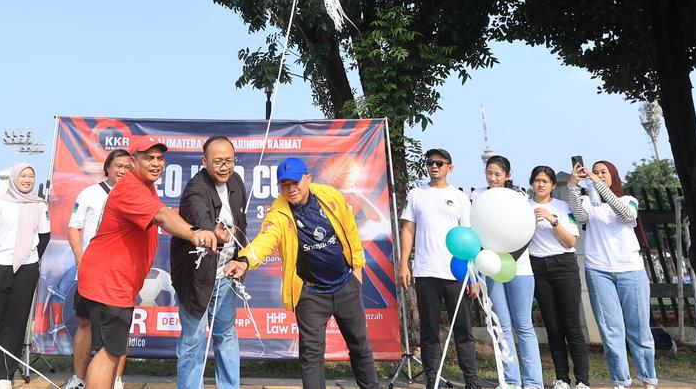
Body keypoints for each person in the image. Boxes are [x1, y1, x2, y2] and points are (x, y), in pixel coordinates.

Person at [77, 138, 224, 389]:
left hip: (114, 281)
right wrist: (196, 233)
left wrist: (206, 233)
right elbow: (162, 216)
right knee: (108, 353)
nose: (156, 163)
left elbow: (162, 214)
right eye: (148, 158)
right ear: (133, 161)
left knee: (112, 350)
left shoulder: (144, 187)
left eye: (159, 158)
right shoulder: (130, 189)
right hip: (108, 282)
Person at [225, 157, 378, 389]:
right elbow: (265, 240)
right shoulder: (279, 213)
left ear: (308, 178)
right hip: (310, 294)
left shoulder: (330, 197)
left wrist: (357, 268)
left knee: (360, 347)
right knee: (311, 355)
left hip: (346, 284)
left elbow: (350, 232)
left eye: (295, 182)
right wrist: (245, 260)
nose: (291, 189)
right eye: (285, 185)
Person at [397, 148, 480, 389]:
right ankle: (432, 378)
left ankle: (471, 380)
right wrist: (404, 264)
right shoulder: (416, 194)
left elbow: (469, 237)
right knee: (429, 330)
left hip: (456, 272)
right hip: (426, 271)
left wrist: (473, 275)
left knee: (463, 329)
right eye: (430, 162)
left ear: (449, 167)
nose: (434, 166)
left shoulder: (460, 197)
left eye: (439, 163)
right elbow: (408, 230)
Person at [570, 159, 657, 389]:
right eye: (595, 172)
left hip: (631, 271)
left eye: (603, 172)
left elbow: (627, 216)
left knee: (639, 328)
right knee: (611, 331)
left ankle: (648, 378)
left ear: (613, 176)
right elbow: (579, 217)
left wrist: (599, 186)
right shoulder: (588, 202)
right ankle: (620, 380)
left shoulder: (628, 200)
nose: (598, 175)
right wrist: (573, 185)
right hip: (599, 271)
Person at [171, 136, 248, 389]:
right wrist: (214, 233)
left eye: (229, 161)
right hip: (196, 277)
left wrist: (240, 259)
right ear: (204, 161)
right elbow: (200, 217)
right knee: (193, 340)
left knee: (226, 335)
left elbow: (242, 223)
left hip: (225, 274)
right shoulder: (195, 188)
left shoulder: (236, 182)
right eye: (217, 162)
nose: (224, 167)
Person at [0, 163, 51, 389]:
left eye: (31, 176)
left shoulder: (40, 205)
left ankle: (5, 375)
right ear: (14, 179)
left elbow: (44, 236)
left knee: (16, 323)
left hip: (26, 269)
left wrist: (32, 259)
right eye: (23, 176)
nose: (27, 180)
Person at [64, 150, 133, 389]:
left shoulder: (135, 196)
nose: (123, 170)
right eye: (118, 165)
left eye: (128, 166)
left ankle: (116, 379)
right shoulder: (89, 194)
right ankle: (79, 378)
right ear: (108, 167)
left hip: (120, 275)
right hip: (91, 272)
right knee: (85, 323)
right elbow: (74, 227)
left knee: (120, 328)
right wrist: (80, 256)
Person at [475, 155, 542, 389]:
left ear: (507, 175)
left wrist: (508, 259)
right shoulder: (478, 198)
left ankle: (533, 382)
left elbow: (526, 231)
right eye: (489, 173)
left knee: (523, 326)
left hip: (519, 269)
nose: (493, 178)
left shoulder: (519, 197)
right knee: (501, 326)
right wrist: (490, 262)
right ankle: (510, 380)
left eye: (498, 174)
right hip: (491, 269)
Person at [528, 166, 589, 389]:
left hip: (564, 265)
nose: (540, 184)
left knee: (571, 325)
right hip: (538, 267)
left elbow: (570, 241)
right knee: (553, 327)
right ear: (531, 183)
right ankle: (562, 378)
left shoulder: (562, 207)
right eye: (537, 180)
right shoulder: (524, 207)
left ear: (553, 185)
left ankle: (582, 380)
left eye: (545, 181)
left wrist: (553, 221)